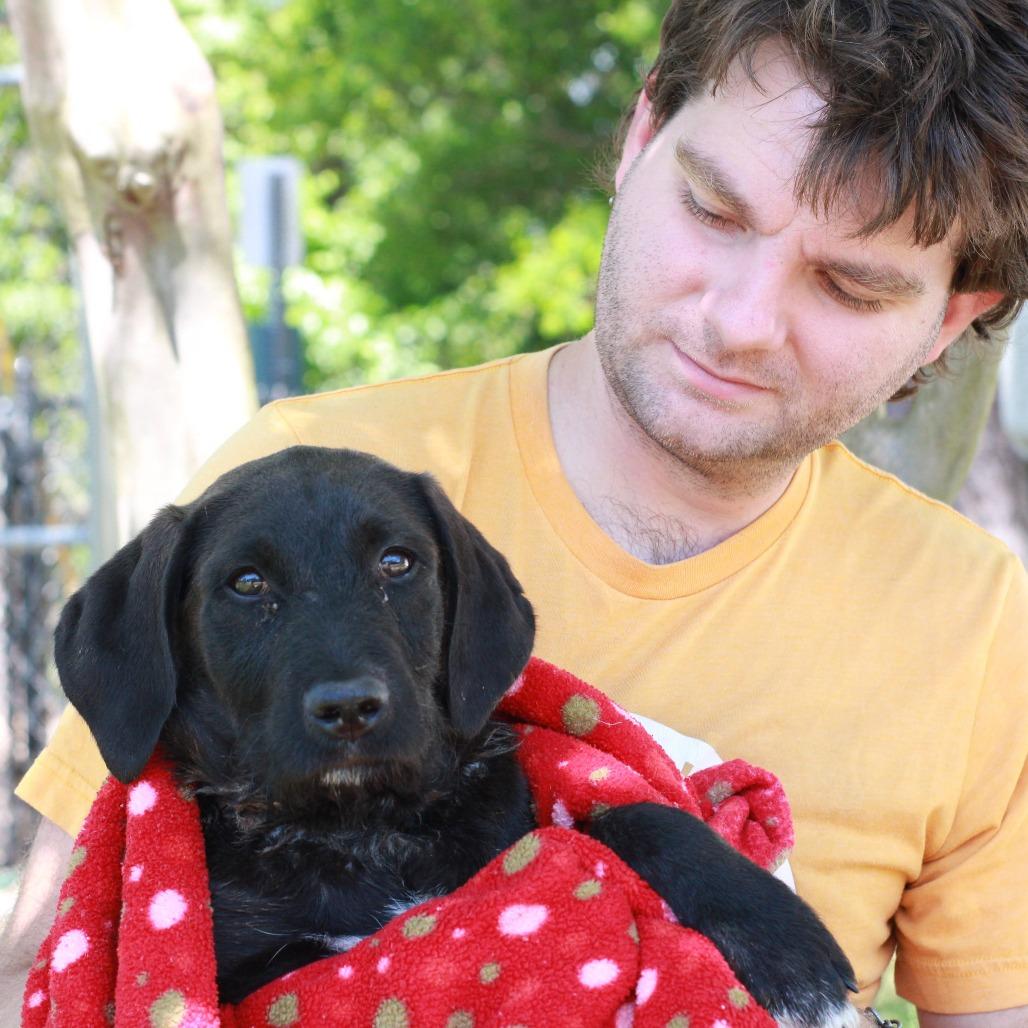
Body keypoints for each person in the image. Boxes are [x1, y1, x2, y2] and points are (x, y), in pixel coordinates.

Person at [4, 0, 1028, 1023]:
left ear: (950, 316)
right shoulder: (291, 487)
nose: (739, 322)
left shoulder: (973, 623)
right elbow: (45, 968)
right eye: (713, 210)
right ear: (638, 137)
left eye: (846, 285)